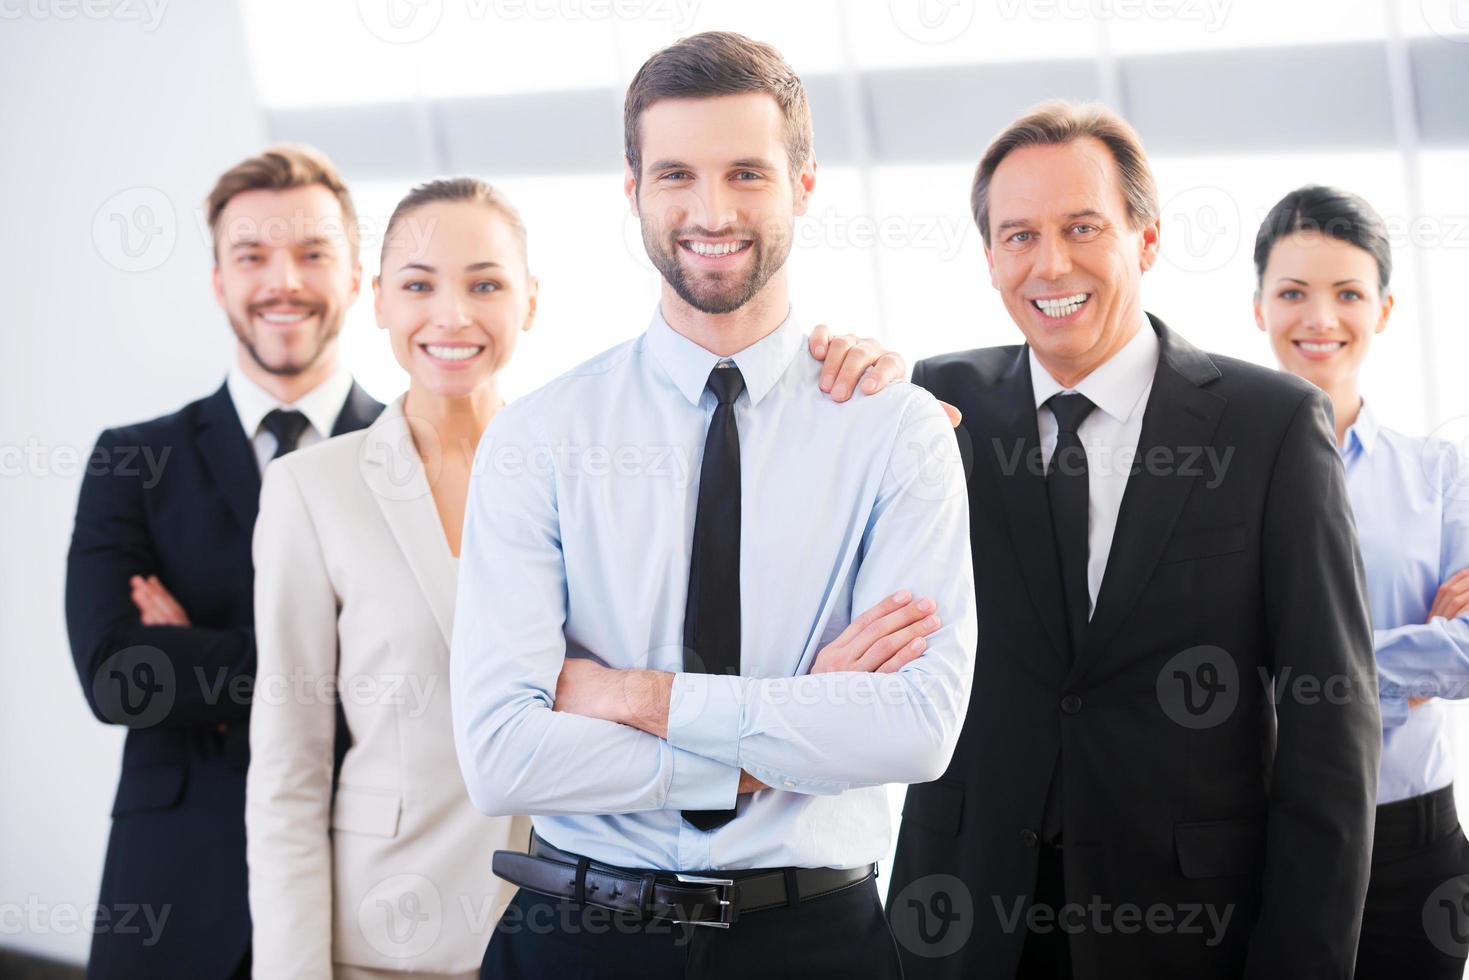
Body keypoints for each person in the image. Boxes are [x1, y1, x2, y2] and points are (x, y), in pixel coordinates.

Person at [450, 31, 977, 978]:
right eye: (675, 174)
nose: (710, 210)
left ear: (805, 184)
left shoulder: (896, 432)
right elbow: (501, 756)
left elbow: (913, 729)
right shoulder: (539, 435)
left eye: (746, 172)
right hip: (576, 936)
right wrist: (782, 737)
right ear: (632, 188)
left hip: (813, 941)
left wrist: (634, 697)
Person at [887, 102, 1380, 978]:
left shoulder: (1267, 425)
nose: (1050, 264)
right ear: (990, 256)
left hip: (1189, 929)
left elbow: (1331, 724)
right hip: (966, 921)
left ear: (1145, 240)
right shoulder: (935, 405)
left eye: (1082, 228)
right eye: (1018, 236)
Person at [64, 145, 386, 979]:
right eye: (251, 256)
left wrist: (199, 658)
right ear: (218, 281)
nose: (284, 282)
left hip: (374, 887)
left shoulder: (414, 458)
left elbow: (449, 679)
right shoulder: (132, 459)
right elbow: (119, 676)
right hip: (173, 896)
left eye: (314, 254)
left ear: (356, 276)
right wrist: (341, 659)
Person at [1252, 184, 1469, 978]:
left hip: (1411, 847)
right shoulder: (1211, 476)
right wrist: (1399, 665)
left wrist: (1293, 673)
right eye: (1292, 293)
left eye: (1347, 293)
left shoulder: (1439, 474)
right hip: (1261, 840)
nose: (1319, 319)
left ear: (1381, 309)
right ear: (1257, 308)